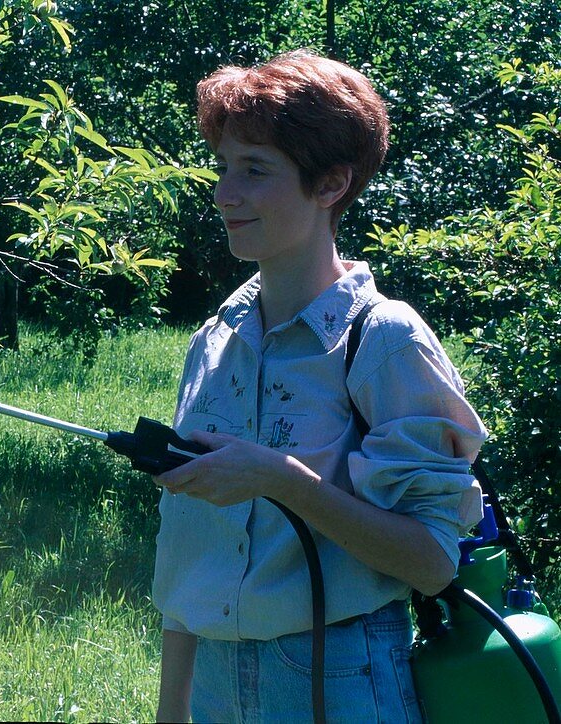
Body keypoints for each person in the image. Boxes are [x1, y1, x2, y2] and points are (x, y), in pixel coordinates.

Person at [152, 49, 487, 723]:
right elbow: (190, 554)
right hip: (215, 685)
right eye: (223, 168)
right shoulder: (212, 343)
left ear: (330, 184)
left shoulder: (382, 339)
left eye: (254, 171)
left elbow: (430, 561)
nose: (224, 194)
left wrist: (280, 478)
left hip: (341, 679)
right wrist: (171, 711)